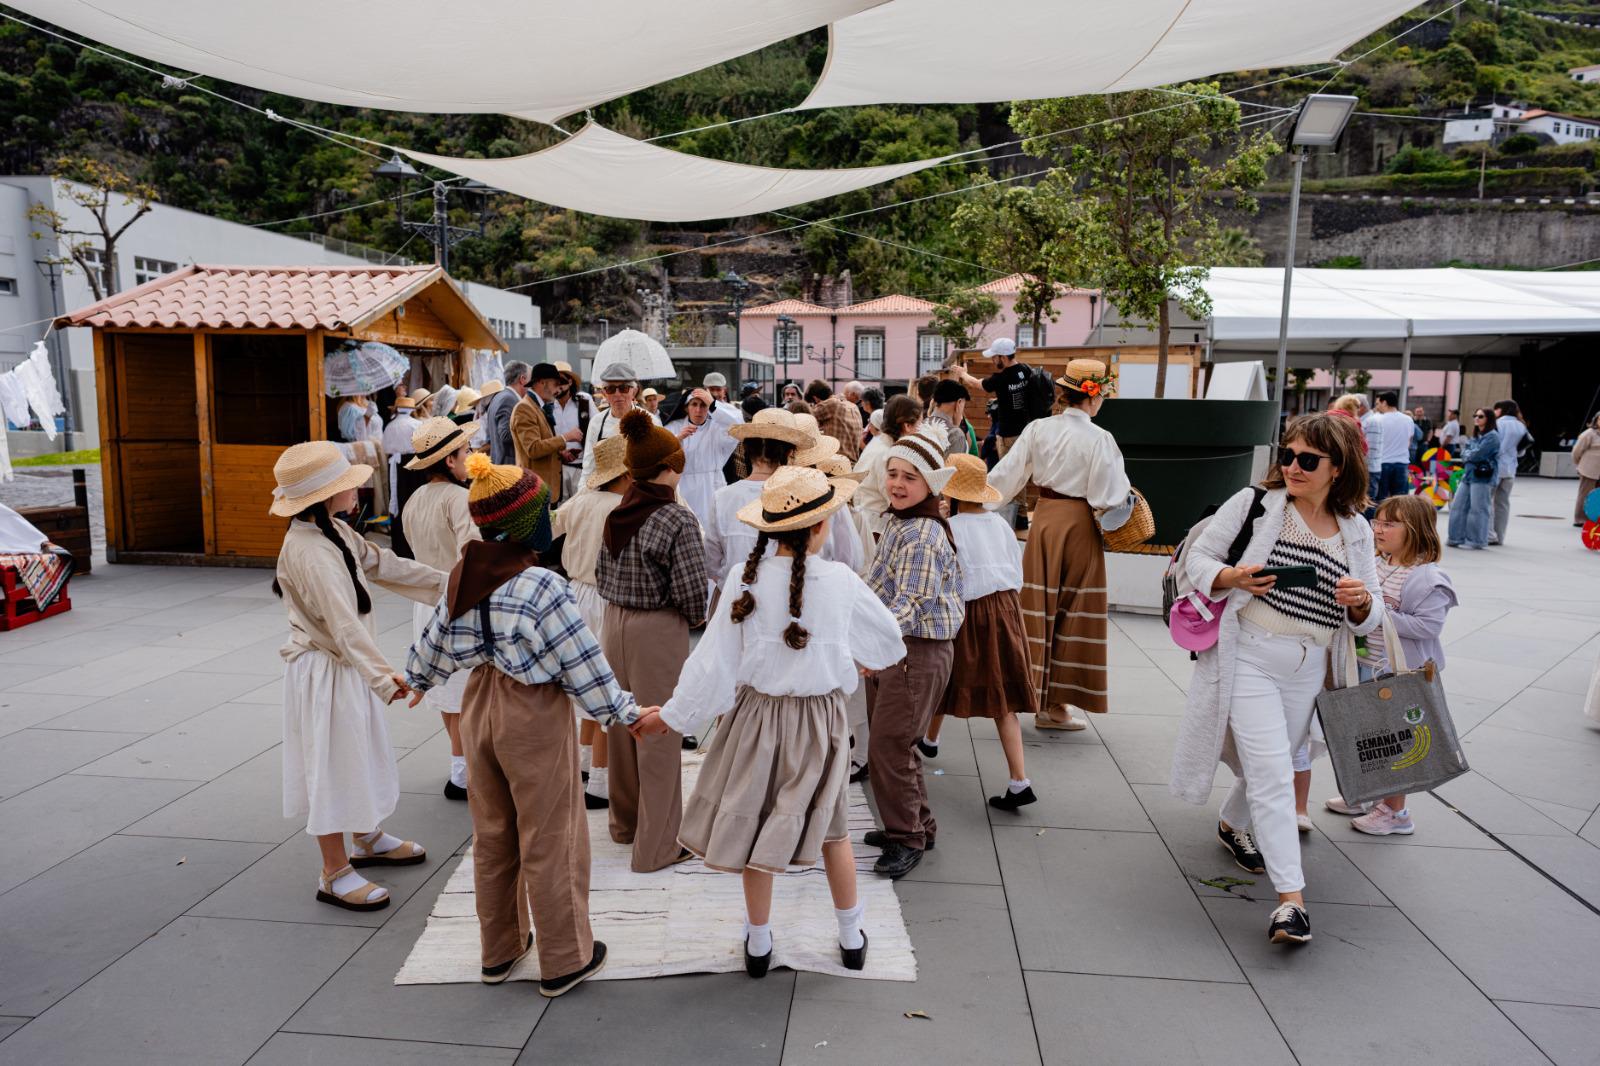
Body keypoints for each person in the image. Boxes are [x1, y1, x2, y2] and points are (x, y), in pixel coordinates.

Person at [632, 466, 904, 977]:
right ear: (820, 526)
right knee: (834, 831)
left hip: (756, 719)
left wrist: (670, 716)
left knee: (756, 825)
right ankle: (851, 936)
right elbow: (888, 641)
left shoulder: (744, 576)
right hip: (822, 722)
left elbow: (713, 661)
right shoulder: (842, 581)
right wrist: (850, 657)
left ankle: (758, 943)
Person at [406, 453, 625, 998]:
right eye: (543, 513)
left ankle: (499, 951)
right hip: (533, 712)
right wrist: (620, 712)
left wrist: (415, 680)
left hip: (478, 704)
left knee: (493, 833)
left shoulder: (464, 576)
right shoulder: (541, 585)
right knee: (551, 835)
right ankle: (564, 959)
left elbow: (431, 649)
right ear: (527, 524)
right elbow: (582, 661)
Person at [1170, 413, 1381, 947]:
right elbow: (1198, 557)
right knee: (1273, 774)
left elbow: (1372, 612)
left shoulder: (1356, 528)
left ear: (1338, 468)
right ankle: (1292, 902)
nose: (1292, 466)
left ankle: (1231, 822)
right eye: (1287, 455)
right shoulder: (1257, 504)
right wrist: (1233, 577)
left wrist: (1360, 603)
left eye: (1308, 459)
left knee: (1276, 762)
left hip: (1310, 666)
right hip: (1250, 655)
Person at [268, 442, 445, 912]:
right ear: (324, 495)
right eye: (347, 484)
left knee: (358, 752)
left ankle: (366, 836)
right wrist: (385, 679)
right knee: (331, 764)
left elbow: (383, 564)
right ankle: (333, 871)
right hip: (326, 668)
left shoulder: (334, 530)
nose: (357, 489)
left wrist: (451, 582)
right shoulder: (310, 550)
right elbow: (344, 626)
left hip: (347, 665)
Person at [987, 359, 1131, 731]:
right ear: (1093, 397)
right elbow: (1110, 495)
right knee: (1073, 611)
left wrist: (973, 503)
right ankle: (1057, 706)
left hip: (1045, 521)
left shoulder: (1038, 428)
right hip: (1080, 524)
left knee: (1038, 607)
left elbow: (1006, 475)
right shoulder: (1100, 438)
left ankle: (1033, 696)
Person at [596, 411, 708, 872]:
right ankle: (658, 846)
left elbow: (601, 572)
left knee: (623, 725)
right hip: (656, 630)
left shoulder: (618, 510)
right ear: (671, 466)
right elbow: (693, 596)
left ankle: (626, 825)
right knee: (660, 732)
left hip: (613, 624)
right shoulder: (677, 518)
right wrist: (697, 617)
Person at [862, 425, 964, 880]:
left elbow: (911, 603)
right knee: (896, 744)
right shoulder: (902, 522)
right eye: (893, 474)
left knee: (889, 745)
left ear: (929, 485)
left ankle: (907, 837)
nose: (898, 484)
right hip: (900, 647)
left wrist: (868, 645)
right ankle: (918, 824)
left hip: (913, 649)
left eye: (910, 477)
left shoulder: (921, 534)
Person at [1322, 494, 1458, 836]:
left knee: (1398, 742)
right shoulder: (1376, 563)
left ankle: (1396, 812)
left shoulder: (1428, 578)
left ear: (1416, 529)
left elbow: (1428, 626)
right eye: (1377, 522)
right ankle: (1366, 794)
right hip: (1366, 664)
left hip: (1400, 674)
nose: (1378, 529)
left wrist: (1375, 612)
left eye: (1389, 524)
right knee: (1367, 736)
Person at [918, 454, 1036, 810]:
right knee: (1004, 697)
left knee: (946, 675)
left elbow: (945, 577)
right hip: (1007, 609)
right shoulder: (1000, 525)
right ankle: (1018, 779)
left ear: (949, 491)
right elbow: (1016, 572)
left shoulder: (948, 528)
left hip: (968, 611)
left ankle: (926, 739)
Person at [401, 416, 482, 801]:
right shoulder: (459, 498)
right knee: (466, 693)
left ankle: (460, 767)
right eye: (465, 451)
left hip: (427, 602)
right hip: (458, 600)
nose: (470, 456)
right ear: (449, 460)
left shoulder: (415, 499)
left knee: (449, 695)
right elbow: (472, 553)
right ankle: (467, 771)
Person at [552, 434, 630, 810]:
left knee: (581, 682)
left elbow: (550, 529)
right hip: (607, 598)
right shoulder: (624, 507)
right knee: (606, 684)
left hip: (575, 594)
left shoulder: (580, 500)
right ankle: (600, 779)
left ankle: (584, 762)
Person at [852, 394, 923, 558]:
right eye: (920, 423)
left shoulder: (881, 443)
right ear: (907, 426)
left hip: (870, 524)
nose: (922, 428)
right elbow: (896, 500)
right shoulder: (887, 453)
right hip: (875, 530)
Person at [665, 386, 742, 527]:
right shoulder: (673, 427)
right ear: (686, 408)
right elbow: (660, 454)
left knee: (713, 528)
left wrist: (712, 403)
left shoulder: (718, 428)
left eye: (703, 405)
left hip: (712, 486)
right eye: (694, 404)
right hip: (684, 487)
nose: (698, 410)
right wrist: (678, 439)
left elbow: (738, 425)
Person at [511, 363, 576, 506]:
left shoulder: (537, 406)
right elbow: (533, 449)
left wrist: (560, 452)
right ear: (542, 383)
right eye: (555, 384)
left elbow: (542, 442)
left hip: (542, 490)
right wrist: (566, 437)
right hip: (534, 491)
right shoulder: (525, 408)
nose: (557, 390)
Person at [581, 362, 648, 482]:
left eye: (624, 388)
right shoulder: (596, 423)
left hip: (641, 489)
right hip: (607, 490)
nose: (617, 394)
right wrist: (582, 492)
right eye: (611, 389)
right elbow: (588, 467)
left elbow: (661, 464)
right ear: (604, 393)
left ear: (634, 392)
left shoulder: (650, 420)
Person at [1447, 408, 1501, 550]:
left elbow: (1477, 455)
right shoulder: (1476, 436)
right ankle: (1455, 538)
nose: (1476, 418)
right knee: (1457, 506)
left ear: (1489, 419)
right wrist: (1469, 454)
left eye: (1480, 416)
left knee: (1478, 509)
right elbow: (1465, 453)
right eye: (1475, 415)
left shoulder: (1492, 437)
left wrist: (1469, 454)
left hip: (1482, 477)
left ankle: (1477, 540)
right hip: (1468, 475)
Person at [551, 362, 593, 501]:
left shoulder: (584, 401)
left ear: (570, 382)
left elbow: (596, 429)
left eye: (561, 382)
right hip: (557, 467)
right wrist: (560, 451)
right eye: (554, 382)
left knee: (581, 506)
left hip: (582, 467)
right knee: (559, 507)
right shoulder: (548, 406)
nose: (557, 386)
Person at [1490, 399, 1528, 546]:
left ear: (1501, 410)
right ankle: (1500, 536)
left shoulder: (1497, 424)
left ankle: (1489, 534)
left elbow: (1493, 446)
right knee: (1503, 504)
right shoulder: (1521, 426)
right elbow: (1521, 451)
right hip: (1511, 468)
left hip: (1495, 467)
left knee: (1488, 501)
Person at [807, 379, 864, 463]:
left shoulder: (832, 404)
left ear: (815, 399)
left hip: (835, 463)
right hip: (852, 463)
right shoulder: (854, 407)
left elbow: (805, 419)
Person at [1373, 391, 1414, 504]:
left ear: (1384, 403)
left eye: (1379, 403)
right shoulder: (1408, 419)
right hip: (1402, 463)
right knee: (1401, 501)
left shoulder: (1378, 420)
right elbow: (1409, 441)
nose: (1378, 407)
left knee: (1381, 500)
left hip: (1383, 463)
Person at [484, 364, 528, 465]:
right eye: (530, 380)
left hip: (503, 463)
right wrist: (530, 431)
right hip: (509, 466)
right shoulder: (508, 399)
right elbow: (505, 435)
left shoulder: (500, 396)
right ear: (522, 379)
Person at [925, 379, 970, 457]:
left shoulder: (921, 424)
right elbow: (953, 464)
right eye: (963, 406)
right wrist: (956, 427)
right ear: (959, 403)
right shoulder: (955, 434)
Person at [1571, 413, 1600, 526]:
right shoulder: (1589, 434)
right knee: (1585, 494)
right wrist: (1580, 465)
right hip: (1589, 469)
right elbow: (1576, 452)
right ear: (1596, 420)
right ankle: (1580, 519)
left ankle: (1595, 518)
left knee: (1597, 496)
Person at [1359, 398, 1385, 506]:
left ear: (1361, 407)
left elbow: (1371, 449)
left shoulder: (1371, 421)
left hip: (1369, 469)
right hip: (1367, 468)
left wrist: (1362, 468)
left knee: (1368, 504)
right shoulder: (1367, 420)